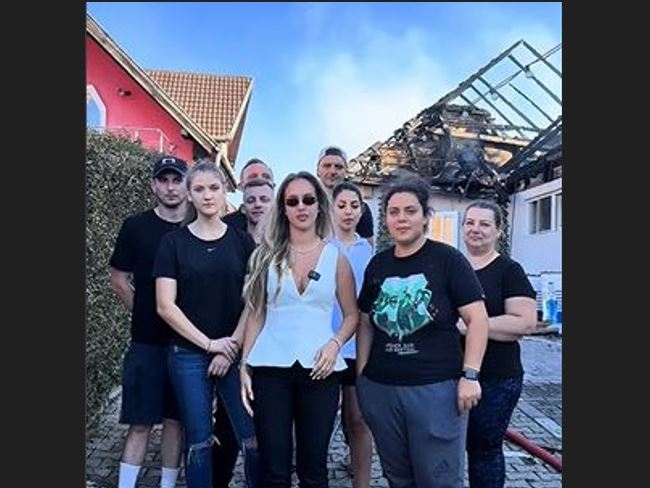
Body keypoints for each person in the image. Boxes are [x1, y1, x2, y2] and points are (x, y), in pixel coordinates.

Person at [355, 172, 489, 488]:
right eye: (394, 212)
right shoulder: (378, 265)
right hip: (382, 389)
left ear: (426, 216)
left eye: (410, 211)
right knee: (398, 478)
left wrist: (470, 375)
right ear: (386, 219)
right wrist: (363, 376)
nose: (401, 218)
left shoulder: (448, 260)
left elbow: (478, 319)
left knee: (439, 479)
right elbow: (365, 321)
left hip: (436, 390)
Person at [239, 171, 360, 488]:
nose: (301, 207)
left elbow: (352, 315)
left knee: (314, 470)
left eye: (308, 199)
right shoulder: (265, 256)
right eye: (292, 201)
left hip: (321, 370)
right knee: (274, 470)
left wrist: (335, 344)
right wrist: (244, 365)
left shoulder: (337, 258)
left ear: (319, 205)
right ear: (283, 208)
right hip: (270, 369)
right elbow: (256, 314)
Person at [153, 159, 260, 488]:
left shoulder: (242, 242)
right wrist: (210, 345)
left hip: (234, 353)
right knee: (199, 441)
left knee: (252, 437)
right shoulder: (173, 243)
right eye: (199, 189)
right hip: (187, 355)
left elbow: (254, 301)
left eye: (214, 188)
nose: (207, 195)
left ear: (225, 191)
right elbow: (165, 305)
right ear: (189, 195)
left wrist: (230, 347)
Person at [109, 155, 188, 488]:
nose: (170, 188)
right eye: (163, 180)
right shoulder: (135, 226)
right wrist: (144, 310)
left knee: (175, 422)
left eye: (177, 180)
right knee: (139, 423)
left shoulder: (199, 227)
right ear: (153, 185)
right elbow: (118, 279)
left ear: (186, 183)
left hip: (187, 345)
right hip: (146, 343)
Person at [459, 200, 537, 488]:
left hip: (496, 379)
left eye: (484, 224)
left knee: (483, 450)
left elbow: (524, 322)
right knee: (447, 448)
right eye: (470, 223)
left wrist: (474, 325)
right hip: (449, 376)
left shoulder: (509, 270)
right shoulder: (453, 266)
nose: (475, 229)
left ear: (498, 231)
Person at [330, 181, 374, 488]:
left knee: (358, 421)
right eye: (342, 205)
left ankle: (363, 483)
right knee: (317, 424)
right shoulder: (320, 247)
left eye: (354, 206)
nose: (348, 211)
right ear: (331, 209)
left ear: (361, 211)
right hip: (325, 348)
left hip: (358, 348)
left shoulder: (368, 251)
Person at [316, 146, 374, 243]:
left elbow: (368, 246)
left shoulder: (360, 209)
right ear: (317, 171)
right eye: (327, 166)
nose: (333, 171)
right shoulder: (305, 205)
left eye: (338, 167)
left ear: (346, 172)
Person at [223, 158, 275, 232]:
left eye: (266, 177)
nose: (260, 180)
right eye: (253, 177)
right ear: (241, 187)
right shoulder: (227, 225)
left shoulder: (286, 221)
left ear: (273, 184)